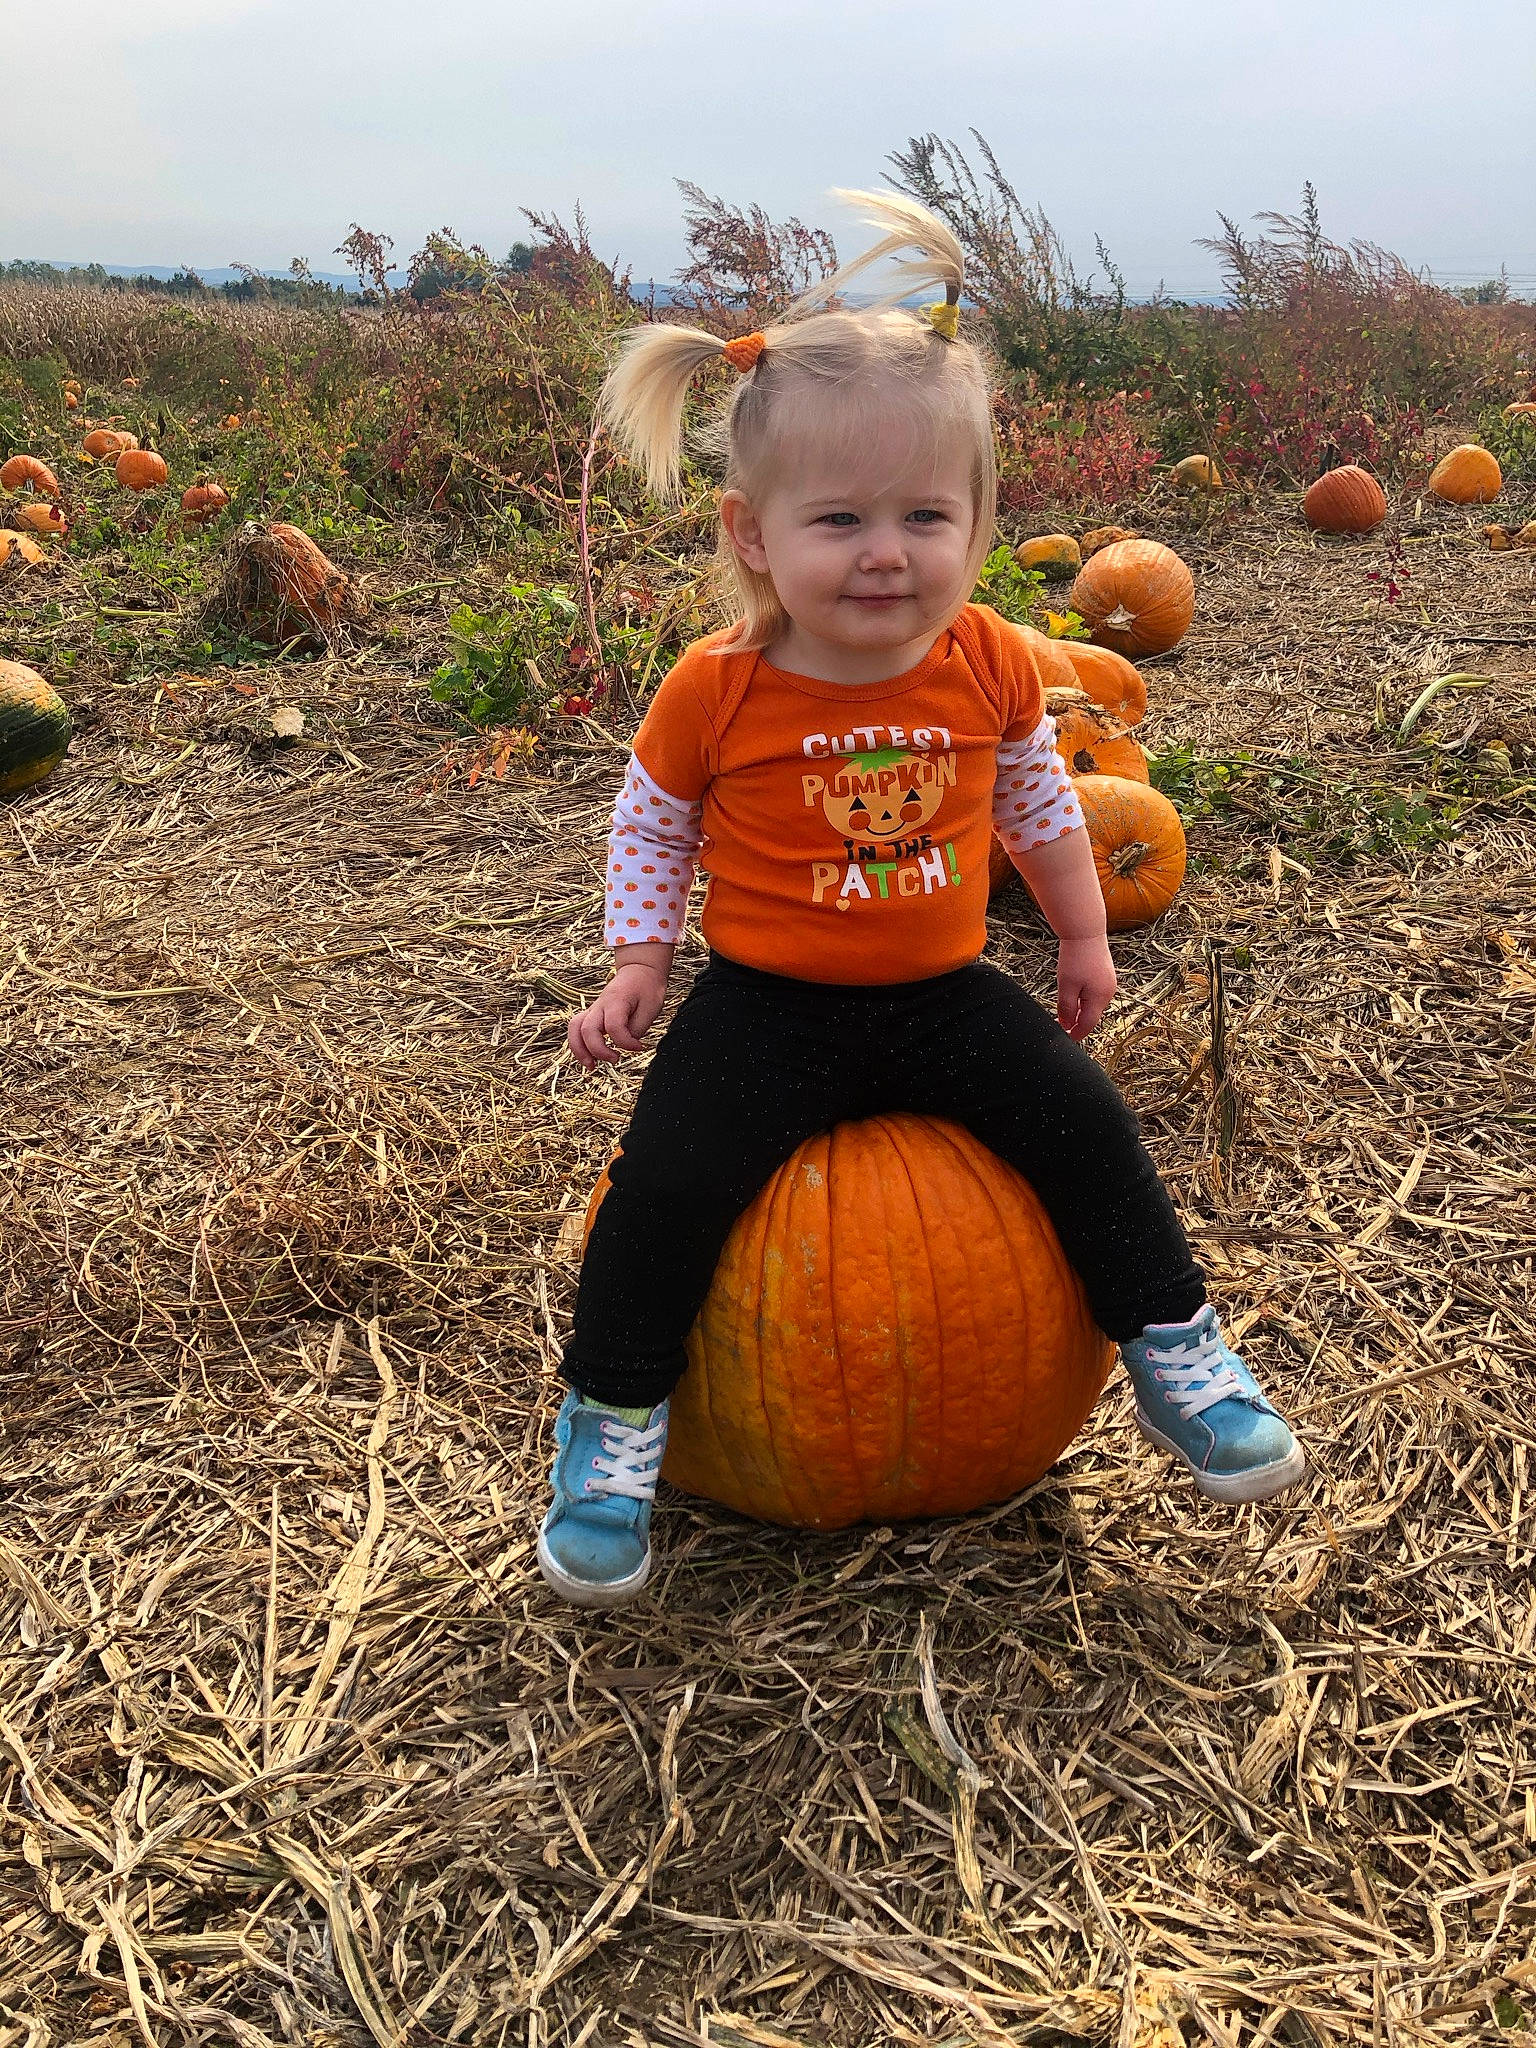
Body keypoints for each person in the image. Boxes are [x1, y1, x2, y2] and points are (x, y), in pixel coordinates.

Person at [539, 191, 1303, 1608]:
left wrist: (1080, 930)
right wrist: (638, 962)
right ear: (754, 534)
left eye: (924, 516)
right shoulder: (720, 684)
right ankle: (612, 1427)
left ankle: (1178, 1349)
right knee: (668, 1189)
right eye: (839, 518)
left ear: (977, 522)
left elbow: (1037, 802)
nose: (885, 551)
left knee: (1083, 1130)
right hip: (766, 1006)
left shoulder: (992, 664)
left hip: (942, 996)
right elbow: (654, 816)